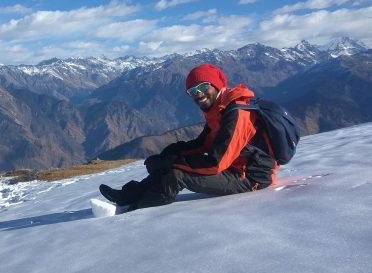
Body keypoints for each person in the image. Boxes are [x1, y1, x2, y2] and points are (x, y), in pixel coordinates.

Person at [99, 63, 277, 210]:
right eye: (192, 90)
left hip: (250, 178)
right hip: (233, 168)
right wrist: (170, 153)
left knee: (176, 175)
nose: (198, 93)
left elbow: (215, 163)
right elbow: (203, 144)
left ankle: (136, 209)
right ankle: (129, 195)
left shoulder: (236, 114)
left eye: (203, 86)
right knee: (173, 163)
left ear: (216, 85)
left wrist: (170, 162)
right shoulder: (219, 111)